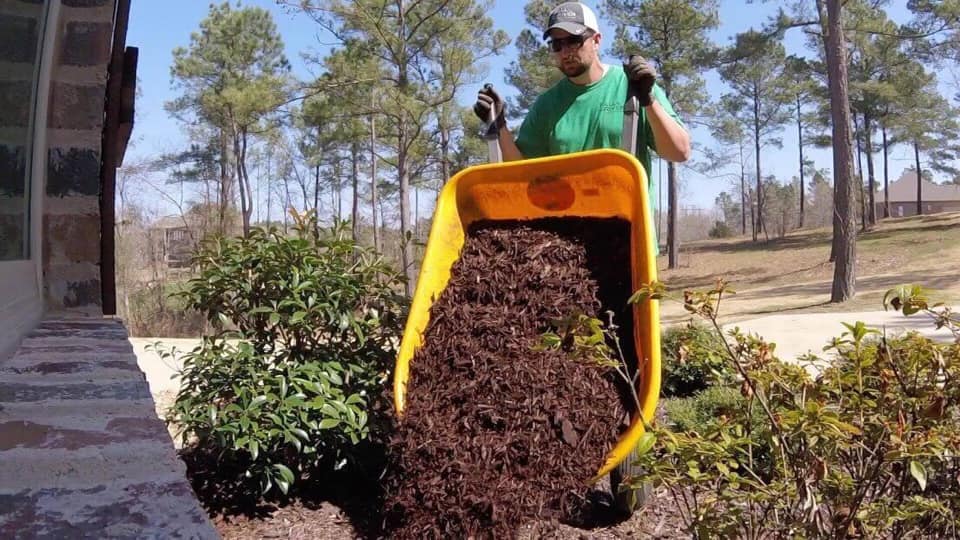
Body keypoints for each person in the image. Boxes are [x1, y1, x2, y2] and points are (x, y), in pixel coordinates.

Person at [473, 1, 691, 235]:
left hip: (629, 238)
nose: (565, 51)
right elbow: (522, 171)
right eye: (557, 44)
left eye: (574, 40)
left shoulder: (634, 86)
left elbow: (679, 152)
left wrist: (648, 100)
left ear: (596, 40)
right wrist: (500, 125)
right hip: (565, 245)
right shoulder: (547, 105)